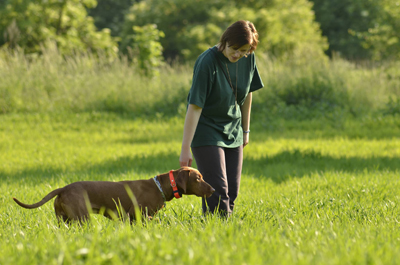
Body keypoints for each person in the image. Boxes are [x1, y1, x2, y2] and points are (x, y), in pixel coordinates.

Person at [179, 20, 264, 217]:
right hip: (206, 130)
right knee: (218, 190)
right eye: (234, 49)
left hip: (233, 129)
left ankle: (216, 230)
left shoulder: (248, 58)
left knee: (232, 191)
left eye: (243, 50)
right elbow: (194, 106)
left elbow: (247, 93)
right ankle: (221, 236)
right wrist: (185, 149)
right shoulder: (206, 62)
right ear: (224, 41)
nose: (238, 55)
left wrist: (245, 130)